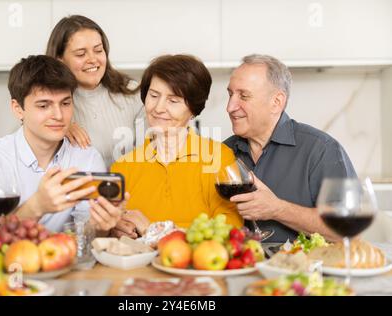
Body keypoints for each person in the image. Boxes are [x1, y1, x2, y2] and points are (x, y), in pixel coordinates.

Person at [0, 55, 123, 234]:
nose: (59, 115)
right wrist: (36, 206)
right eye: (44, 106)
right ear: (18, 109)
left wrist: (99, 226)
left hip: (66, 261)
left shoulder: (87, 158)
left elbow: (86, 237)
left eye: (65, 103)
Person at [224, 54, 357, 242]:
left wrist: (278, 209)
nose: (230, 107)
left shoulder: (322, 150)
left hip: (304, 270)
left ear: (276, 102)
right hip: (240, 269)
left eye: (243, 96)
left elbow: (348, 229)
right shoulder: (223, 152)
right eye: (230, 94)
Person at [109, 54, 243, 238]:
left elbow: (230, 229)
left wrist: (155, 230)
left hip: (197, 266)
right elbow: (111, 227)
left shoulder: (220, 157)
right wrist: (116, 228)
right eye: (154, 96)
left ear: (193, 109)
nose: (158, 108)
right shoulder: (123, 167)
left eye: (173, 100)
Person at [46, 15, 145, 168]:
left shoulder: (132, 92)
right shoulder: (51, 103)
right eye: (81, 54)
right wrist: (57, 127)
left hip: (130, 187)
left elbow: (152, 152)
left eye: (98, 50)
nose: (93, 59)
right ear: (60, 60)